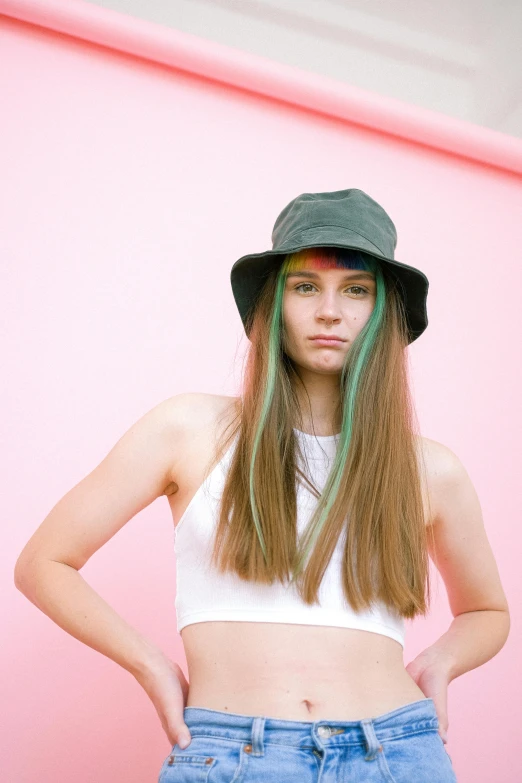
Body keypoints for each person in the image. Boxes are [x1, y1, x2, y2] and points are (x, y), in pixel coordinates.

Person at [14, 189, 509, 782]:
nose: (330, 311)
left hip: (396, 755)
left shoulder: (429, 469)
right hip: (230, 754)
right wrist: (151, 664)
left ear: (384, 312)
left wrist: (441, 663)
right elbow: (44, 562)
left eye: (357, 290)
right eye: (306, 287)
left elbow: (486, 610)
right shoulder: (189, 429)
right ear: (273, 305)